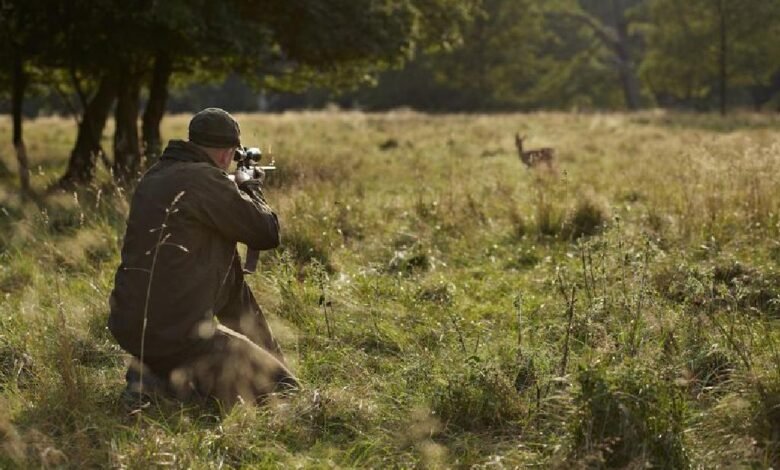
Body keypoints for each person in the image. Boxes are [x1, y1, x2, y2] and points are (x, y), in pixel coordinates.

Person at [108, 107, 299, 409]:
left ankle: (151, 376)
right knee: (286, 391)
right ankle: (167, 385)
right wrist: (251, 188)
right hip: (180, 332)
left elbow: (230, 285)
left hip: (130, 326)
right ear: (226, 154)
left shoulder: (155, 175)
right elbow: (266, 233)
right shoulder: (206, 180)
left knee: (224, 291)